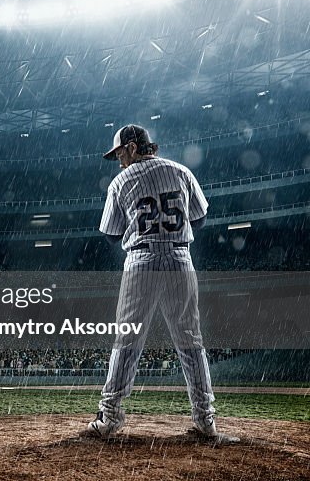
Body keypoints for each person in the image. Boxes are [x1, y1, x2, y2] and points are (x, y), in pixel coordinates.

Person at [85, 124, 234, 442]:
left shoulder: (121, 181)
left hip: (142, 263)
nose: (119, 162)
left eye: (119, 155)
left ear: (131, 147)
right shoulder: (180, 171)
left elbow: (111, 235)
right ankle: (206, 422)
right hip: (181, 260)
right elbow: (200, 218)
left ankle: (110, 416)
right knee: (191, 343)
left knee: (127, 342)